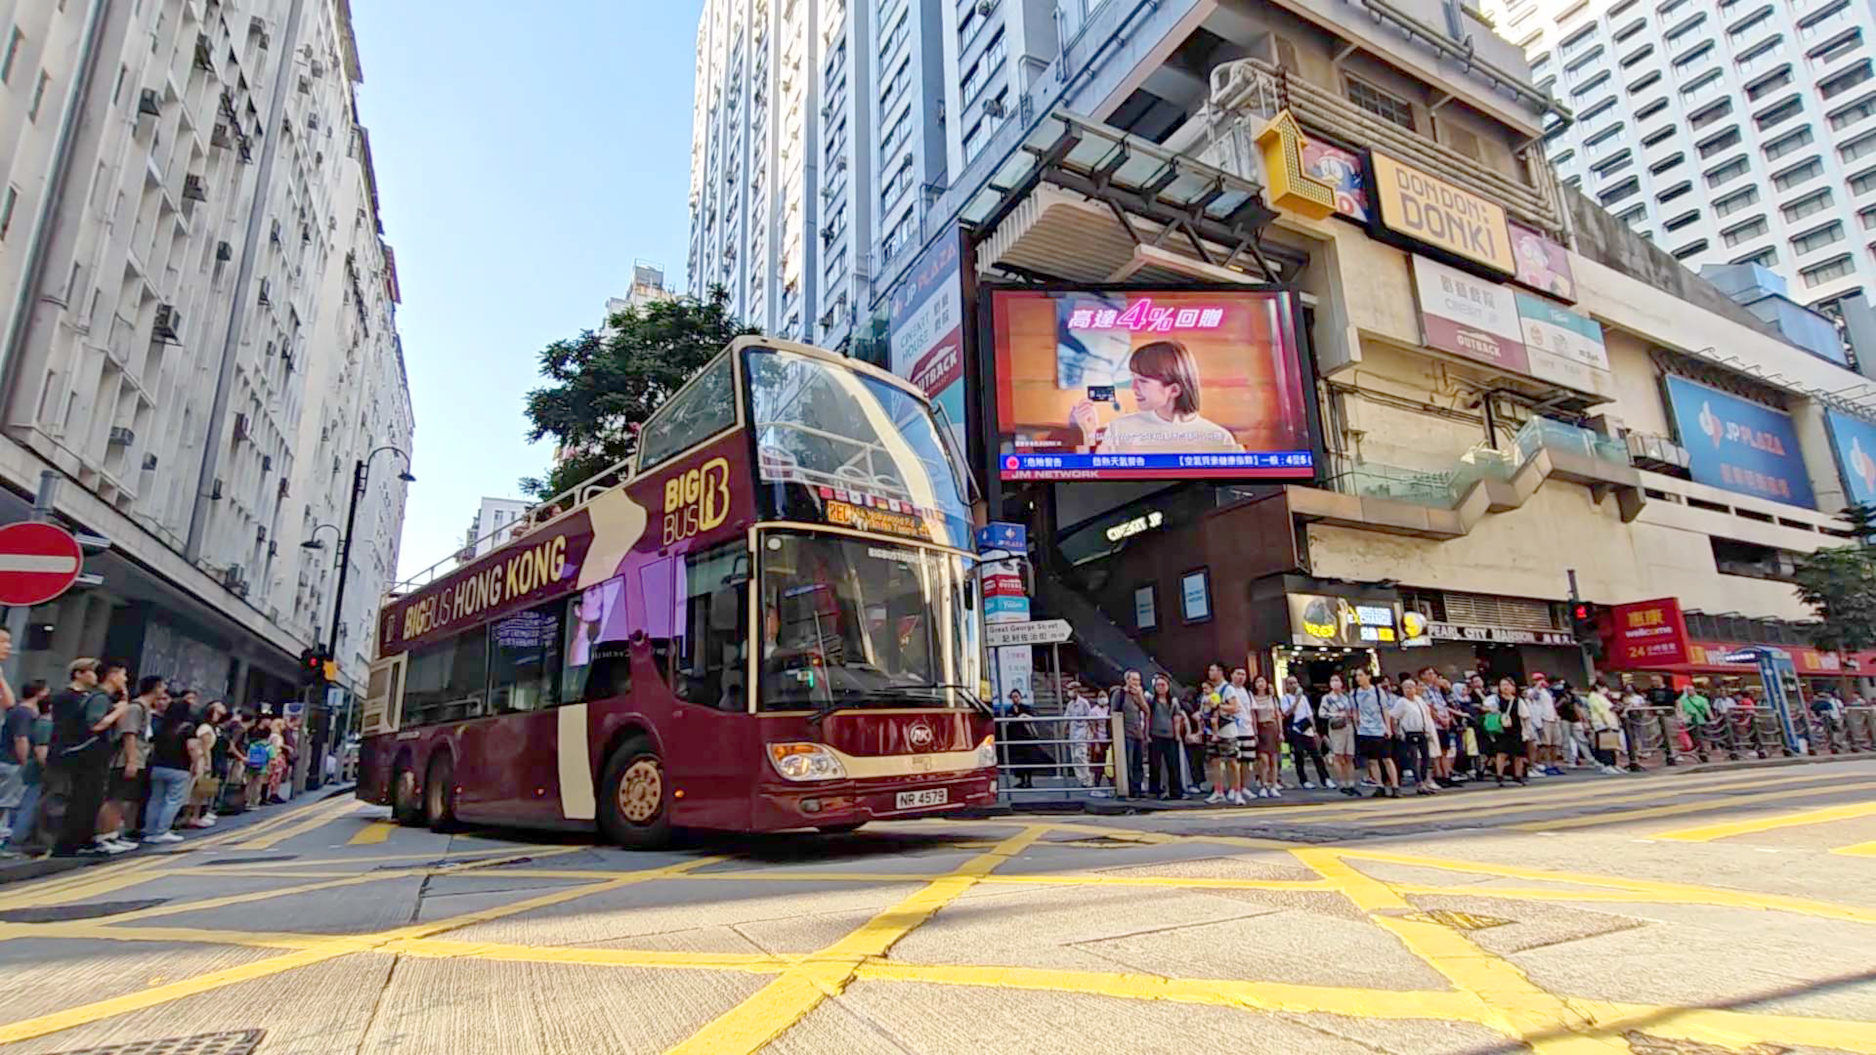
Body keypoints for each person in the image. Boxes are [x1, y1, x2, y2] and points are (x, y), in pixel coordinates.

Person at [1070, 340, 1243, 455]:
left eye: (1143, 381)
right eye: (1133, 378)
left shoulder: (1220, 438)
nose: (1134, 388)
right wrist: (1088, 433)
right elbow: (1092, 478)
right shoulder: (1119, 429)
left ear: (1174, 390)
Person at [49, 659, 131, 856]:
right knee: (83, 799)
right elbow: (95, 725)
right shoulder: (99, 698)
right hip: (87, 756)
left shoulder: (100, 697)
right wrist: (119, 710)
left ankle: (83, 841)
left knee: (91, 799)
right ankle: (70, 844)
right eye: (122, 674)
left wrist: (123, 698)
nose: (125, 679)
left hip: (94, 756)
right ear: (112, 675)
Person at [101, 676, 162, 848]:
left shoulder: (145, 708)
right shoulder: (136, 708)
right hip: (125, 759)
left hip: (138, 758)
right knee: (115, 799)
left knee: (124, 799)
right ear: (155, 688)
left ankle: (114, 834)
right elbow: (129, 734)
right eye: (162, 687)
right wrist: (131, 761)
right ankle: (105, 837)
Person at [142, 687, 199, 843]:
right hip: (179, 768)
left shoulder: (161, 726)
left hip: (158, 766)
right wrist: (196, 764)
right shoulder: (188, 728)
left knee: (155, 799)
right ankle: (162, 831)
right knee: (173, 800)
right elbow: (192, 748)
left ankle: (150, 832)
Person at [4, 681, 53, 852]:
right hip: (14, 763)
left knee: (12, 802)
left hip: (10, 762)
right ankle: (11, 841)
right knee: (14, 803)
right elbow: (21, 738)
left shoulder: (18, 710)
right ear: (39, 694)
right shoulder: (25, 714)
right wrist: (24, 761)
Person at [1350, 669, 1399, 798]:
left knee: (1387, 758)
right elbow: (1355, 710)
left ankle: (1395, 786)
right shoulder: (1354, 693)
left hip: (1379, 729)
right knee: (1372, 761)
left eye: (1361, 675)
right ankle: (1379, 786)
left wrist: (1388, 728)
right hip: (1364, 730)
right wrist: (1357, 725)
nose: (1358, 678)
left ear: (1368, 676)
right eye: (1357, 676)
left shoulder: (1377, 691)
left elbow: (1385, 710)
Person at [1209, 668, 1250, 805]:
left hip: (1227, 727)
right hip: (1213, 728)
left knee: (1232, 761)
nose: (1210, 672)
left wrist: (1219, 706)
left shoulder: (1228, 689)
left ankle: (1237, 792)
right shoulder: (1211, 688)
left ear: (1220, 672)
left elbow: (1235, 707)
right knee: (1215, 761)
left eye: (1213, 670)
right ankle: (1218, 791)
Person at [1282, 676, 1330, 789]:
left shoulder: (1304, 698)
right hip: (1295, 729)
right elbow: (1286, 713)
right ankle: (1303, 780)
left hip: (1307, 729)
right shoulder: (1285, 698)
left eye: (1295, 683)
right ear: (1287, 686)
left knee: (1316, 755)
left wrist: (1314, 729)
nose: (1293, 685)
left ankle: (1325, 778)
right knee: (1299, 755)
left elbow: (1309, 714)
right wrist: (1296, 701)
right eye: (1290, 683)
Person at [1391, 678, 1437, 795]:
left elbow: (1426, 714)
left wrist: (1428, 730)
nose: (1409, 690)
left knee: (1426, 757)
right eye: (1406, 688)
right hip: (1409, 733)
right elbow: (1393, 716)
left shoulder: (1419, 700)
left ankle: (1424, 779)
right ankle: (1419, 782)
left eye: (1411, 687)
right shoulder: (1401, 702)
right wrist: (1396, 731)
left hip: (1422, 731)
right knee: (1414, 758)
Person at [1317, 674, 1358, 797]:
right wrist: (1335, 715)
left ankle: (1351, 783)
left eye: (1337, 680)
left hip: (1348, 726)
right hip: (1336, 728)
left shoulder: (1347, 697)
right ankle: (1342, 784)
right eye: (1332, 680)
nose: (1335, 683)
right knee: (1338, 755)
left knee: (1349, 755)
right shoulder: (1327, 698)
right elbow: (1321, 713)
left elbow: (1353, 711)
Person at [1146, 675, 1184, 800]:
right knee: (1154, 764)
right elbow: (1147, 717)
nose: (1160, 687)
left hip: (1170, 735)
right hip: (1155, 735)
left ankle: (1175, 791)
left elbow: (1177, 717)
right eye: (1158, 685)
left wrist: (1177, 734)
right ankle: (1154, 790)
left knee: (1173, 764)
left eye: (1163, 685)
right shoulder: (1151, 701)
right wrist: (1147, 734)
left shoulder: (1173, 701)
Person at [1484, 677, 1529, 786]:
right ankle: (1499, 776)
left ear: (1513, 687)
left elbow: (1525, 716)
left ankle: (1518, 776)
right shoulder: (1495, 699)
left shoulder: (1518, 700)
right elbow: (1484, 708)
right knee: (1501, 753)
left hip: (1516, 729)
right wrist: (1492, 710)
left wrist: (1526, 731)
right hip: (1501, 730)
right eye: (1503, 685)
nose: (1505, 687)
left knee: (1518, 754)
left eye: (1507, 685)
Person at [1247, 674, 1282, 798]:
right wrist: (1255, 732)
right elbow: (1253, 716)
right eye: (1258, 682)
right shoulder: (1252, 698)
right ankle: (1263, 785)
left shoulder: (1272, 698)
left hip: (1272, 727)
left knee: (1273, 759)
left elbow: (1278, 715)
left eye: (1262, 681)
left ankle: (1273, 785)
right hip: (1260, 728)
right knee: (1263, 759)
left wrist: (1281, 731)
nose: (1260, 684)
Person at [1118, 672, 1151, 796]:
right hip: (1126, 733)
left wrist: (1140, 697)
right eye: (1133, 679)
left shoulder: (1139, 695)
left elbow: (1147, 711)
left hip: (1138, 733)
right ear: (1127, 680)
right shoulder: (1120, 694)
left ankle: (1137, 788)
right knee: (1128, 762)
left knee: (1138, 762)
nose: (1136, 683)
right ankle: (1129, 788)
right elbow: (1114, 712)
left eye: (1138, 680)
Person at [1525, 673, 1560, 777]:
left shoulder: (1547, 691)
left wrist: (1556, 715)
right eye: (1537, 680)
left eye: (1541, 679)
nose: (1540, 681)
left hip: (1552, 718)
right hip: (1543, 719)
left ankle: (1553, 764)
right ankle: (1545, 764)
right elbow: (1531, 697)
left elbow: (1551, 705)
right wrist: (1537, 687)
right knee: (1546, 744)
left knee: (1555, 743)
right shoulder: (1532, 691)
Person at [1064, 685, 1094, 789]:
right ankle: (1081, 779)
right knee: (1074, 758)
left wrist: (1091, 733)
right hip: (1073, 734)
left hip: (1082, 733)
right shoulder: (1070, 704)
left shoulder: (1084, 703)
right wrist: (1064, 731)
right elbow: (1066, 718)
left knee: (1081, 756)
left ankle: (1087, 779)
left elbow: (1089, 718)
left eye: (1071, 690)